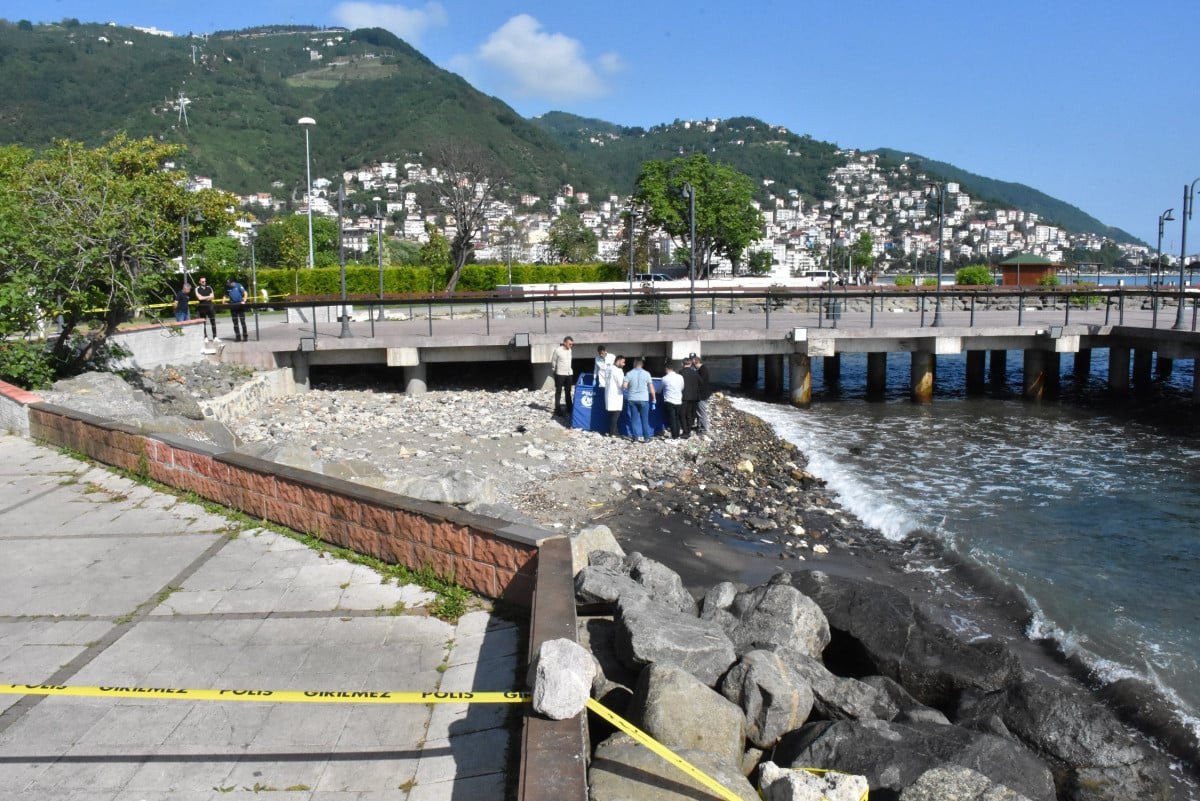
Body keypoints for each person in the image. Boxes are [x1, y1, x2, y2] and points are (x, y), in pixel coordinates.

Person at [622, 357, 655, 443]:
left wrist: (629, 386)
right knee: (644, 419)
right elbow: (651, 387)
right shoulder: (647, 373)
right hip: (644, 399)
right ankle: (646, 438)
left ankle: (635, 438)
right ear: (642, 364)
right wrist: (654, 398)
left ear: (634, 363)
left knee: (634, 419)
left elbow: (624, 386)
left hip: (632, 399)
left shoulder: (629, 373)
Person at [550, 335, 574, 417]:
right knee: (558, 391)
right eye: (570, 344)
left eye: (572, 344)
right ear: (564, 343)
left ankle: (569, 408)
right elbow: (553, 361)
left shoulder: (570, 350)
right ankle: (557, 409)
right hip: (560, 374)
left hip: (569, 373)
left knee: (568, 391)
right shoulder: (557, 350)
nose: (571, 346)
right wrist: (554, 371)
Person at [660, 361, 685, 439]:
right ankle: (677, 434)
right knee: (677, 418)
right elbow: (682, 387)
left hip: (669, 401)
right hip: (678, 400)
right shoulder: (680, 377)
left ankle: (674, 436)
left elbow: (659, 389)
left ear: (666, 369)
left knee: (672, 419)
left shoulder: (664, 378)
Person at [604, 355, 626, 437]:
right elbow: (621, 384)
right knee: (616, 414)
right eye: (623, 362)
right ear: (619, 360)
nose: (624, 364)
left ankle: (611, 431)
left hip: (608, 394)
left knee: (611, 415)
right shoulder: (618, 371)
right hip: (616, 395)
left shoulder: (609, 368)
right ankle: (613, 433)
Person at [692, 353, 712, 436]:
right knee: (699, 411)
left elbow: (700, 382)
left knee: (701, 412)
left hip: (702, 395)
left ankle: (703, 429)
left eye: (693, 364)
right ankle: (699, 426)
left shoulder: (702, 370)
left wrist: (694, 375)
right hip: (703, 394)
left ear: (697, 362)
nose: (693, 366)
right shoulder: (703, 369)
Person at [680, 355, 700, 437]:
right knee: (690, 414)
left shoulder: (681, 373)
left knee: (683, 414)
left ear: (682, 364)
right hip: (694, 397)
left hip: (684, 396)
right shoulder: (695, 373)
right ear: (690, 364)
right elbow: (700, 383)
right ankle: (689, 429)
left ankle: (685, 432)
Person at [193, 277, 217, 342]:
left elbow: (213, 296)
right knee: (203, 322)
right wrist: (208, 297)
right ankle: (205, 337)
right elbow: (199, 298)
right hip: (202, 307)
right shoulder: (197, 289)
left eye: (205, 281)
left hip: (210, 307)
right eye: (202, 281)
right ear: (199, 282)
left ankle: (215, 337)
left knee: (213, 321)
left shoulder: (209, 287)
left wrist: (204, 297)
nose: (204, 282)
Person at [225, 278, 248, 342]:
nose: (228, 285)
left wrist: (244, 300)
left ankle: (245, 337)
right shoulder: (228, 288)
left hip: (240, 305)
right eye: (227, 284)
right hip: (233, 306)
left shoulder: (238, 285)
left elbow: (245, 293)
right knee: (235, 323)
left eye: (229, 283)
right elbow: (225, 296)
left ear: (233, 283)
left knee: (242, 322)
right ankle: (238, 337)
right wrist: (223, 301)